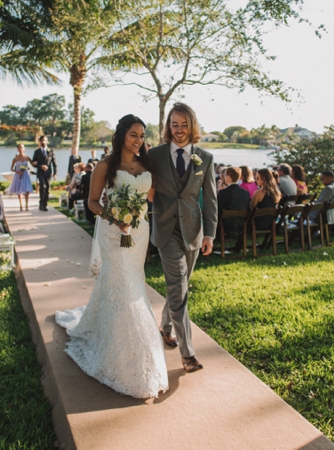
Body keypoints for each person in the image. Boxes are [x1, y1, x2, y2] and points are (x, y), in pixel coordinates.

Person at [55, 114, 169, 399]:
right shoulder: (106, 165)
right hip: (113, 233)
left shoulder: (146, 164)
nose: (138, 140)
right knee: (124, 284)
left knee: (131, 282)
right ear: (121, 135)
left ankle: (108, 328)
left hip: (139, 232)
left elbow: (151, 196)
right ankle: (128, 353)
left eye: (142, 135)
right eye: (133, 134)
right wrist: (114, 217)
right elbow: (92, 202)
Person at [147, 102, 216, 374]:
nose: (178, 130)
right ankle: (188, 354)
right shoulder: (154, 155)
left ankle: (165, 327)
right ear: (168, 127)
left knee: (180, 287)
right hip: (166, 232)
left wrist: (209, 233)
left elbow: (210, 200)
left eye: (183, 124)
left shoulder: (205, 158)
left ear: (192, 126)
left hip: (193, 233)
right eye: (174, 125)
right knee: (179, 289)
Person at [218, 166, 251, 240]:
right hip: (241, 223)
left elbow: (218, 210)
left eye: (225, 175)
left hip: (226, 224)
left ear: (229, 177)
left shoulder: (223, 193)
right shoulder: (245, 193)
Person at [31, 135, 56, 212]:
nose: (43, 142)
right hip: (40, 172)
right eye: (41, 140)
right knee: (43, 186)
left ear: (47, 141)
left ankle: (44, 204)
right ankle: (41, 204)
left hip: (48, 173)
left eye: (44, 140)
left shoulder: (50, 151)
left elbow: (54, 163)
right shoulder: (37, 152)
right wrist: (40, 166)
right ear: (40, 142)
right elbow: (34, 163)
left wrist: (55, 173)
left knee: (47, 188)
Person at [9, 143, 33, 211]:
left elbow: (32, 165)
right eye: (19, 147)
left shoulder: (27, 157)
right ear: (17, 149)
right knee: (19, 190)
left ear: (24, 149)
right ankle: (21, 205)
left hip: (25, 174)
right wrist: (17, 171)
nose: (21, 149)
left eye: (22, 147)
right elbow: (11, 168)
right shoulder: (15, 158)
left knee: (27, 190)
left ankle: (27, 205)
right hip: (18, 175)